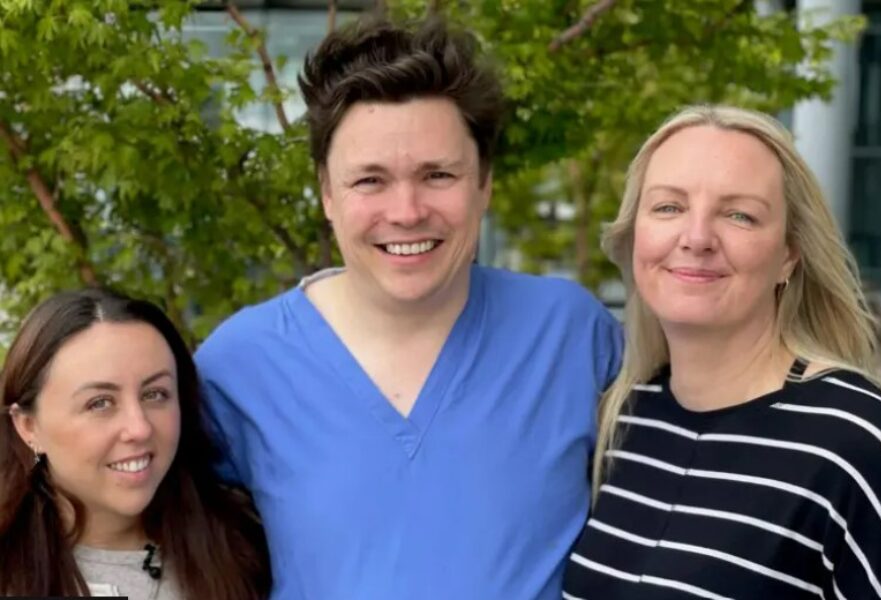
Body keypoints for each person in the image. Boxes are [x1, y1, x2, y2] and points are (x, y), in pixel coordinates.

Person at [194, 15, 622, 600]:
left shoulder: (573, 337)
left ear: (484, 183)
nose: (407, 210)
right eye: (370, 180)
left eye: (438, 174)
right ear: (325, 192)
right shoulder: (236, 367)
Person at [562, 105, 881, 599]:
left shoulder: (853, 440)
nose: (696, 238)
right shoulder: (626, 418)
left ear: (789, 254)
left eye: (739, 214)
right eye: (668, 207)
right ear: (635, 235)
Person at [0, 289, 271, 599]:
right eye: (100, 403)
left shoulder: (246, 542)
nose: (139, 428)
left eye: (155, 394)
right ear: (28, 426)